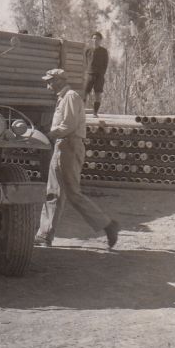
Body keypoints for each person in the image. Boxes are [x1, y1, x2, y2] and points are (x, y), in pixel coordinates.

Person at [35, 68, 119, 248]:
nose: (47, 85)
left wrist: (48, 135)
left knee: (73, 193)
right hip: (62, 145)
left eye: (50, 81)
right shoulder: (63, 98)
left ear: (59, 81)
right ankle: (44, 235)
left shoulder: (71, 97)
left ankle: (108, 225)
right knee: (53, 192)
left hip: (69, 146)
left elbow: (68, 126)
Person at [84, 31, 109, 116]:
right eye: (94, 38)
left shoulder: (104, 51)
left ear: (100, 40)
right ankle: (81, 111)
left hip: (99, 76)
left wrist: (101, 74)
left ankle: (95, 112)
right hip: (90, 74)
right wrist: (88, 71)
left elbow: (105, 64)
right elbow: (85, 62)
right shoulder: (88, 51)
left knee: (98, 94)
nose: (95, 40)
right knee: (85, 92)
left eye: (97, 39)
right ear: (92, 39)